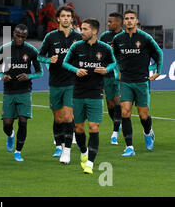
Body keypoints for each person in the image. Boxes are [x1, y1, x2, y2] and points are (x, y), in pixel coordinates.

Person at [63, 18, 116, 174]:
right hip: (78, 93)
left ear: (94, 31)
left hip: (96, 93)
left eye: (85, 29)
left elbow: (113, 63)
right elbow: (65, 63)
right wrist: (75, 70)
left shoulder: (105, 48)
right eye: (82, 29)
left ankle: (90, 164)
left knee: (94, 127)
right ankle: (84, 152)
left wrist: (107, 69)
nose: (82, 31)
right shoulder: (76, 47)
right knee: (79, 128)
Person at [112, 10, 163, 157]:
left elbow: (159, 53)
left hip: (142, 82)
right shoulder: (118, 39)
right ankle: (129, 147)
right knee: (125, 112)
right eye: (126, 18)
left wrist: (158, 70)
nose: (129, 21)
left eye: (131, 18)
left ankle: (148, 132)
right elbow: (113, 58)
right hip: (126, 81)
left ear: (136, 21)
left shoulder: (145, 38)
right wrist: (117, 73)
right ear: (123, 22)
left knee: (143, 115)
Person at [37, 5, 82, 162]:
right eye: (63, 16)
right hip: (55, 82)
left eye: (69, 16)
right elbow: (39, 56)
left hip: (72, 82)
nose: (66, 18)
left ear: (72, 19)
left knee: (68, 116)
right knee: (58, 118)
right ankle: (58, 145)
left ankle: (66, 151)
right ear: (58, 18)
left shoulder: (79, 38)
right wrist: (49, 60)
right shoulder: (50, 37)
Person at [0, 24, 43, 161]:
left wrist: (29, 76)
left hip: (25, 91)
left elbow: (40, 72)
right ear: (13, 34)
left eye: (23, 37)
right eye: (18, 36)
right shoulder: (4, 49)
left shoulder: (32, 51)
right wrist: (2, 76)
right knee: (7, 124)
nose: (20, 39)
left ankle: (18, 151)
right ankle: (10, 135)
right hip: (9, 91)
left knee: (23, 121)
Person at [99, 12, 123, 145]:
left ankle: (114, 133)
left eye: (110, 22)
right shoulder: (104, 37)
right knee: (110, 104)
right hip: (107, 74)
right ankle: (117, 124)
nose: (108, 24)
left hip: (120, 75)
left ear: (118, 23)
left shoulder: (125, 36)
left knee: (117, 101)